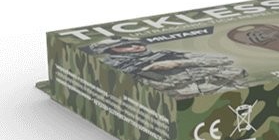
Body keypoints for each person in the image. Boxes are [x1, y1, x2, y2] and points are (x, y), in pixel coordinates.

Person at [83, 38, 247, 96]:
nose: (136, 47)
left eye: (136, 43)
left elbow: (223, 61)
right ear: (111, 50)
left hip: (219, 87)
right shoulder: (113, 68)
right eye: (126, 46)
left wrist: (178, 63)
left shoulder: (164, 54)